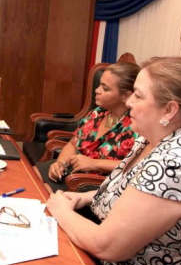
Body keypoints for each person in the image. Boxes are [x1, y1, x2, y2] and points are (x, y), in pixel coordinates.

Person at [47, 57, 181, 265]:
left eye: (138, 95)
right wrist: (85, 197)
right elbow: (132, 193)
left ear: (169, 110)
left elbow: (105, 245)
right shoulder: (151, 138)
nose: (128, 102)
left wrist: (61, 210)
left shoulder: (176, 164)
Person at [35, 62, 140, 192]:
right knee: (30, 175)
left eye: (105, 88)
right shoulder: (98, 113)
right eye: (100, 85)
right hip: (72, 169)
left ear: (126, 96)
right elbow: (73, 144)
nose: (97, 90)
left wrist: (94, 164)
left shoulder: (136, 126)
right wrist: (60, 163)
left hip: (93, 183)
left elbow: (137, 167)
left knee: (41, 191)